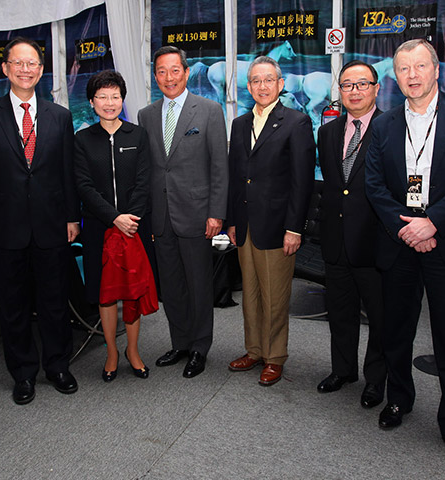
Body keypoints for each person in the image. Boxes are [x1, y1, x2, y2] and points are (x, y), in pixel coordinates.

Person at [365, 39, 445, 477]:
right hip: (399, 240)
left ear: (436, 70)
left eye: (421, 66)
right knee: (396, 330)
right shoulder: (383, 126)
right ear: (395, 76)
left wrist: (432, 222)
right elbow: (374, 185)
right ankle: (400, 398)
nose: (413, 75)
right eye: (404, 69)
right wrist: (407, 228)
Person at [0, 37, 80, 404]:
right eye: (18, 63)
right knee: (13, 304)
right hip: (5, 226)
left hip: (52, 225)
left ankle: (58, 366)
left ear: (42, 70)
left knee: (54, 300)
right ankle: (23, 373)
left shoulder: (60, 116)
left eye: (32, 63)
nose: (25, 69)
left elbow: (67, 173)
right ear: (5, 68)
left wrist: (72, 217)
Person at [137, 46, 228, 378]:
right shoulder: (146, 115)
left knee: (199, 284)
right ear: (155, 76)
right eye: (161, 71)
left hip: (197, 214)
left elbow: (220, 167)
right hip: (161, 218)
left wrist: (217, 214)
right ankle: (180, 342)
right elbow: (149, 170)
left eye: (175, 70)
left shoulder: (209, 110)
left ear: (186, 73)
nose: (168, 77)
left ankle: (200, 348)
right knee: (172, 286)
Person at [226, 56, 315, 386]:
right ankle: (254, 350)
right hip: (245, 225)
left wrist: (295, 227)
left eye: (268, 80)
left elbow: (302, 182)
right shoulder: (238, 124)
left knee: (275, 296)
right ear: (248, 87)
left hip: (279, 227)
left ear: (280, 84)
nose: (262, 86)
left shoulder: (296, 122)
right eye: (255, 81)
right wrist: (233, 221)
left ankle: (275, 357)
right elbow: (237, 177)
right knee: (250, 293)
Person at [74, 70, 158, 382]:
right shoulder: (82, 139)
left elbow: (143, 181)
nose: (110, 103)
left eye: (115, 96)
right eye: (102, 97)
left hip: (135, 227)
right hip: (100, 227)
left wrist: (130, 218)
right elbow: (83, 186)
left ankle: (133, 351)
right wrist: (113, 217)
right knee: (105, 294)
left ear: (122, 100)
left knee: (132, 292)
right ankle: (111, 351)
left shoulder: (137, 135)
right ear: (92, 102)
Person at [316, 60, 386, 407]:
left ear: (376, 88)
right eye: (347, 85)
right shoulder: (327, 131)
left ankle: (376, 381)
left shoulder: (391, 127)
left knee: (380, 317)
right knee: (340, 312)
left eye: (362, 84)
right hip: (336, 239)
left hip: (376, 242)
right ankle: (342, 369)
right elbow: (334, 186)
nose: (354, 91)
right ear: (339, 91)